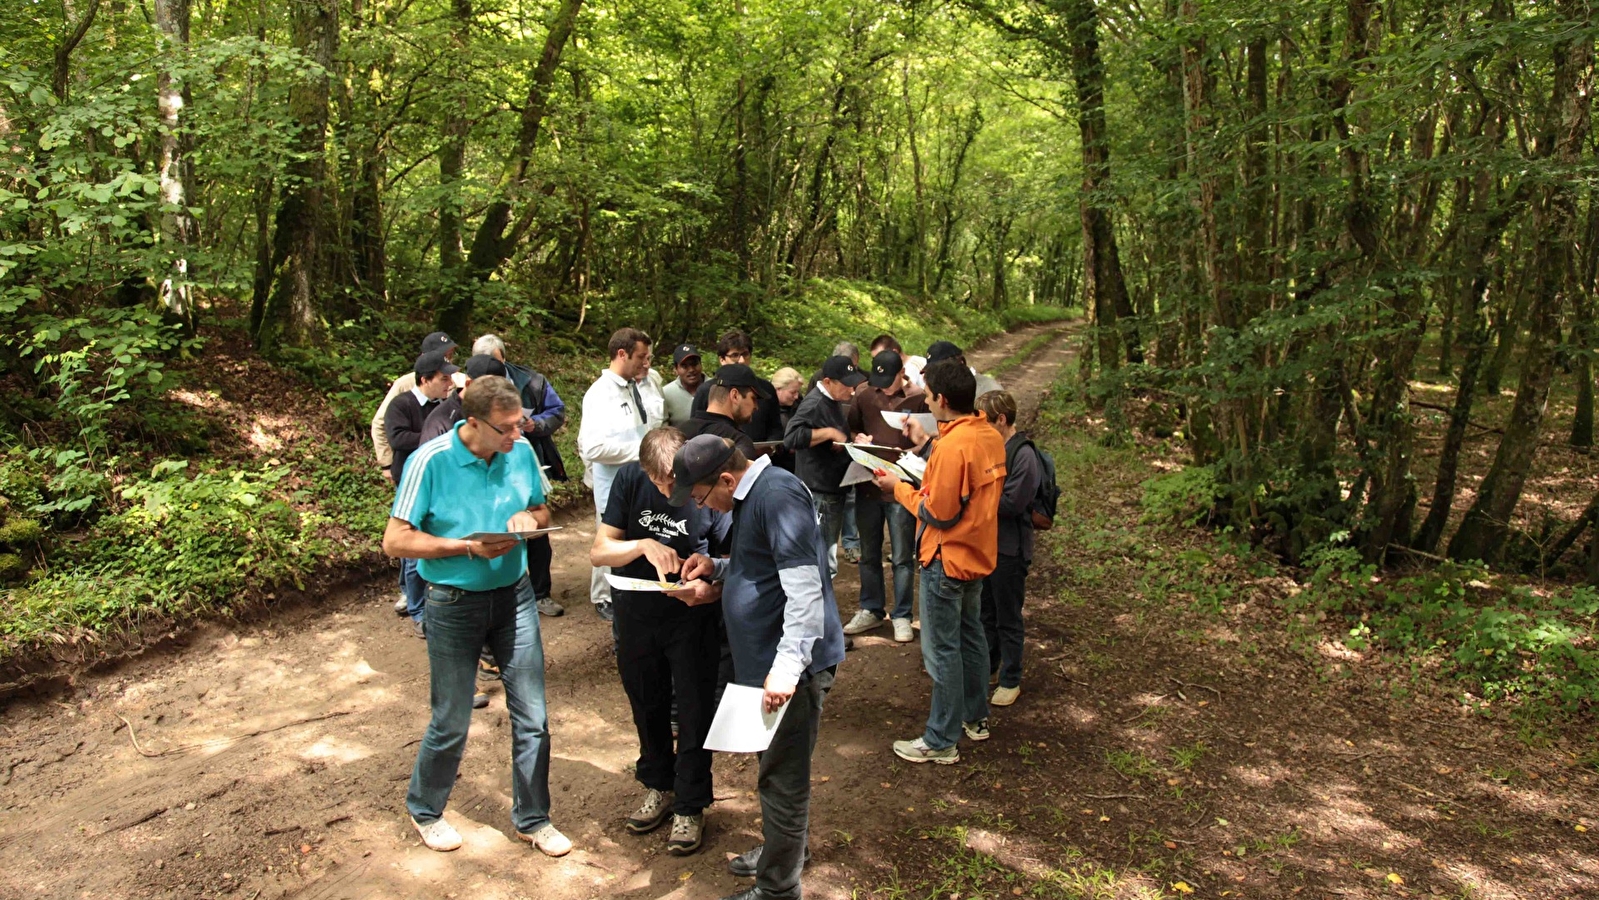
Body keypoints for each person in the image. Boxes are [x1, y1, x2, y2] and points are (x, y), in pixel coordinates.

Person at [383, 375, 571, 858]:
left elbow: (541, 510)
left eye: (520, 424)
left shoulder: (521, 452)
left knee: (534, 716)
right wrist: (465, 547)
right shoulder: (430, 460)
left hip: (516, 596)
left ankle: (534, 818)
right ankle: (426, 809)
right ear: (473, 423)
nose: (517, 435)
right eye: (506, 428)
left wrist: (530, 520)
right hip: (453, 601)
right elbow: (395, 540)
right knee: (452, 717)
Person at [671, 436, 846, 900]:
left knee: (781, 779)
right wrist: (717, 568)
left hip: (789, 670)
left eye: (701, 497)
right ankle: (784, 852)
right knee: (773, 767)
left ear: (727, 480)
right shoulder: (754, 495)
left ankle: (778, 889)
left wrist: (786, 670)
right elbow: (763, 566)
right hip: (767, 664)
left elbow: (805, 592)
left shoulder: (776, 496)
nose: (701, 507)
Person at [590, 428, 730, 856]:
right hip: (636, 611)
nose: (669, 491)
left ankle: (690, 803)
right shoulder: (631, 479)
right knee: (646, 702)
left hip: (691, 617)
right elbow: (600, 551)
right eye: (660, 482)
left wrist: (708, 586)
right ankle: (658, 785)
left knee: (693, 709)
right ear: (645, 470)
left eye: (675, 482)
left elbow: (731, 561)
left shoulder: (706, 482)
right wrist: (642, 545)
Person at [872, 360, 1006, 765]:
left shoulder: (952, 447)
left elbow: (938, 513)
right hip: (976, 556)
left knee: (943, 650)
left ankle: (941, 740)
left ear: (943, 399)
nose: (926, 403)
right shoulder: (988, 434)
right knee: (971, 637)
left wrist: (898, 488)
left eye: (929, 397)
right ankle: (975, 718)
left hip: (946, 559)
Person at [474, 334, 569, 618]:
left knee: (536, 528)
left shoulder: (532, 381)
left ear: (504, 358)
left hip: (529, 457)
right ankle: (495, 593)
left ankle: (540, 593)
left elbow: (557, 411)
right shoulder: (469, 390)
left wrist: (534, 425)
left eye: (494, 363)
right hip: (485, 469)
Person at [841, 349, 929, 643]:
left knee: (902, 556)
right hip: (868, 484)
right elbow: (853, 426)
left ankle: (902, 614)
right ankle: (871, 608)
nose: (882, 388)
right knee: (869, 553)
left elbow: (930, 440)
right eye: (877, 381)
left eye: (887, 382)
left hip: (901, 488)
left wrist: (909, 453)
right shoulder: (865, 394)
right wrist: (859, 439)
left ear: (901, 374)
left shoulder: (918, 398)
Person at [578, 328, 662, 622]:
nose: (645, 363)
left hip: (637, 481)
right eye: (641, 357)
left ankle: (630, 595)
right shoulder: (600, 393)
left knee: (635, 538)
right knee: (611, 539)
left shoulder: (632, 386)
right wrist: (643, 451)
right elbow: (593, 447)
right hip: (613, 486)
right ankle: (604, 597)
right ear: (622, 354)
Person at [975, 391, 1041, 708]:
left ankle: (1011, 678)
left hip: (1010, 549)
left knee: (1008, 616)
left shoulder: (1024, 455)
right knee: (986, 612)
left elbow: (1013, 503)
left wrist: (974, 497)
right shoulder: (991, 447)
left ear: (1001, 420)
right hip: (986, 545)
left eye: (984, 421)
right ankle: (990, 667)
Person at [386, 350, 458, 636]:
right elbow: (397, 437)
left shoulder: (444, 407)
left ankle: (431, 603)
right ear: (425, 380)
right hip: (411, 482)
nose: (449, 383)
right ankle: (417, 610)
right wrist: (435, 436)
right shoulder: (402, 404)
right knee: (413, 548)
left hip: (441, 481)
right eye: (443, 379)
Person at [783, 355, 865, 580]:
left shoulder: (832, 400)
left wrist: (852, 440)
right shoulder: (815, 403)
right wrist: (828, 433)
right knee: (823, 560)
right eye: (847, 385)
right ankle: (820, 601)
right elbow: (791, 437)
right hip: (820, 492)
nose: (852, 391)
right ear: (828, 382)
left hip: (832, 489)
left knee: (825, 557)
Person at [371, 332, 461, 484]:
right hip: (410, 472)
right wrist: (386, 463)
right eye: (443, 355)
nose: (450, 383)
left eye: (450, 355)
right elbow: (385, 427)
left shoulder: (455, 384)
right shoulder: (403, 390)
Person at [692, 330, 784, 444]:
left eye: (745, 354)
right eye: (735, 355)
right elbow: (696, 428)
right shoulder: (707, 390)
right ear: (722, 360)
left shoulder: (765, 388)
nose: (741, 360)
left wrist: (769, 446)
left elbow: (775, 428)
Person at [679, 363, 765, 459]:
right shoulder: (738, 442)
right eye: (753, 398)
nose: (756, 406)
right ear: (735, 396)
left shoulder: (680, 433)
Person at [831, 342, 864, 566]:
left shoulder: (863, 379)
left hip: (854, 441)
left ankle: (851, 543)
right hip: (831, 448)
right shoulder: (820, 378)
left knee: (851, 497)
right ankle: (827, 549)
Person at [925, 340, 1002, 397]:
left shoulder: (989, 390)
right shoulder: (941, 394)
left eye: (941, 370)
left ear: (961, 363)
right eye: (932, 371)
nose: (935, 376)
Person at [769, 367, 804, 474]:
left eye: (797, 392)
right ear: (778, 389)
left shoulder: (799, 403)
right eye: (792, 392)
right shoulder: (765, 407)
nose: (796, 396)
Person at [662, 344, 704, 427]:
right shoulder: (666, 393)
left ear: (701, 364)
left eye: (694, 364)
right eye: (684, 366)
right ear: (676, 369)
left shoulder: (714, 388)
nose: (691, 370)